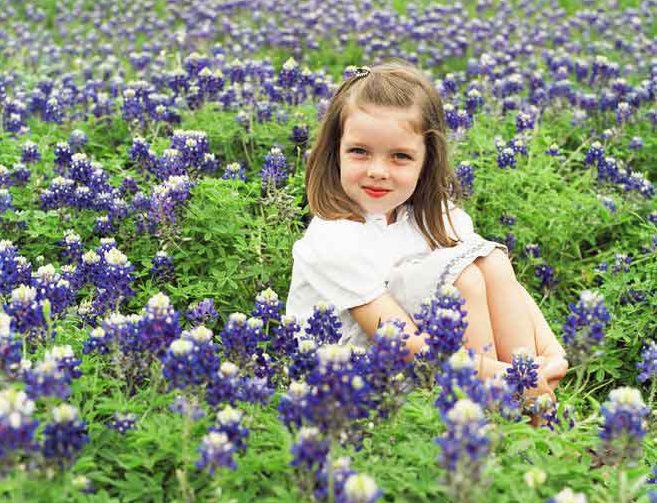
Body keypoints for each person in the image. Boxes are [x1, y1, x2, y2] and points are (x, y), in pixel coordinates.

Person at [285, 60, 568, 401]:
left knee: (490, 261)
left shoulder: (432, 216)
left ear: (427, 161)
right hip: (353, 383)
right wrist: (509, 376)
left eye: (400, 156)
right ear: (335, 153)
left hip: (441, 364)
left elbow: (505, 281)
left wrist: (552, 354)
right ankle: (490, 415)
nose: (378, 171)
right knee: (466, 280)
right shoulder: (333, 239)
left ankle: (534, 408)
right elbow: (402, 343)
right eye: (359, 151)